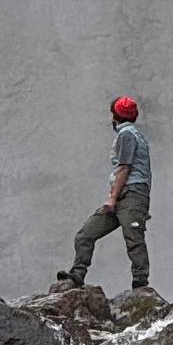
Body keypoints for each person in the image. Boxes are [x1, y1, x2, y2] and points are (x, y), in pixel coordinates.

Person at [58, 94, 151, 293]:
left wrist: (112, 198)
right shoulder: (133, 134)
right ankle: (77, 275)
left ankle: (141, 285)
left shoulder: (127, 135)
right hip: (127, 195)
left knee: (133, 238)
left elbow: (124, 167)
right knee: (85, 235)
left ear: (116, 116)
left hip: (131, 194)